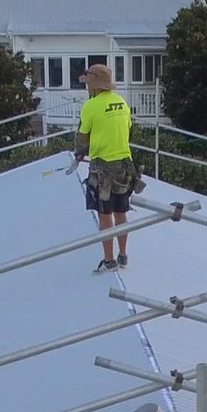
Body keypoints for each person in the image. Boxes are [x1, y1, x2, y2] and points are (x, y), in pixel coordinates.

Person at [73, 63, 140, 272]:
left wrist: (80, 152)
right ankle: (122, 255)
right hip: (125, 166)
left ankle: (109, 261)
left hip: (102, 168)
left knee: (105, 214)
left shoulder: (91, 106)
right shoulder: (121, 102)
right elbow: (127, 130)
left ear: (93, 85)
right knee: (121, 211)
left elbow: (82, 137)